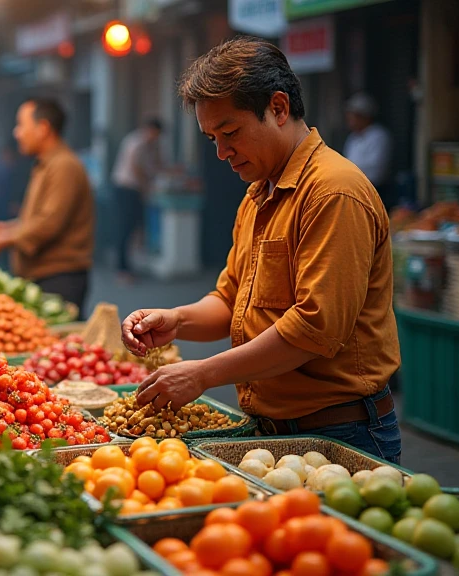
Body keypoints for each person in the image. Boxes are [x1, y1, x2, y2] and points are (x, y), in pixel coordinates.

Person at [121, 37, 401, 463]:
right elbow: (229, 299)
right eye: (212, 138)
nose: (222, 152)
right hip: (272, 430)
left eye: (230, 132)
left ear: (279, 108)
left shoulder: (333, 192)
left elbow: (314, 330)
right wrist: (176, 320)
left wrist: (202, 373)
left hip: (342, 431)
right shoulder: (258, 195)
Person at [0, 97, 95, 314]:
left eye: (21, 125)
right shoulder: (45, 164)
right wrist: (5, 228)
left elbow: (49, 223)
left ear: (43, 128)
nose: (16, 133)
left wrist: (3, 239)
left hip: (59, 278)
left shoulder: (64, 166)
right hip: (42, 275)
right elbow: (36, 219)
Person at [111, 118, 163, 278]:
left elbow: (156, 164)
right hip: (126, 189)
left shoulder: (150, 145)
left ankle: (130, 264)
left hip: (134, 189)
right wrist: (145, 187)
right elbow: (136, 167)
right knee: (126, 228)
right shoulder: (137, 142)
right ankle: (122, 268)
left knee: (135, 227)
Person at [344, 93, 394, 210]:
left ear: (364, 117)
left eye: (353, 116)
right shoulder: (353, 138)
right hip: (353, 190)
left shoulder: (379, 136)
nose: (350, 120)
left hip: (374, 191)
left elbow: (376, 169)